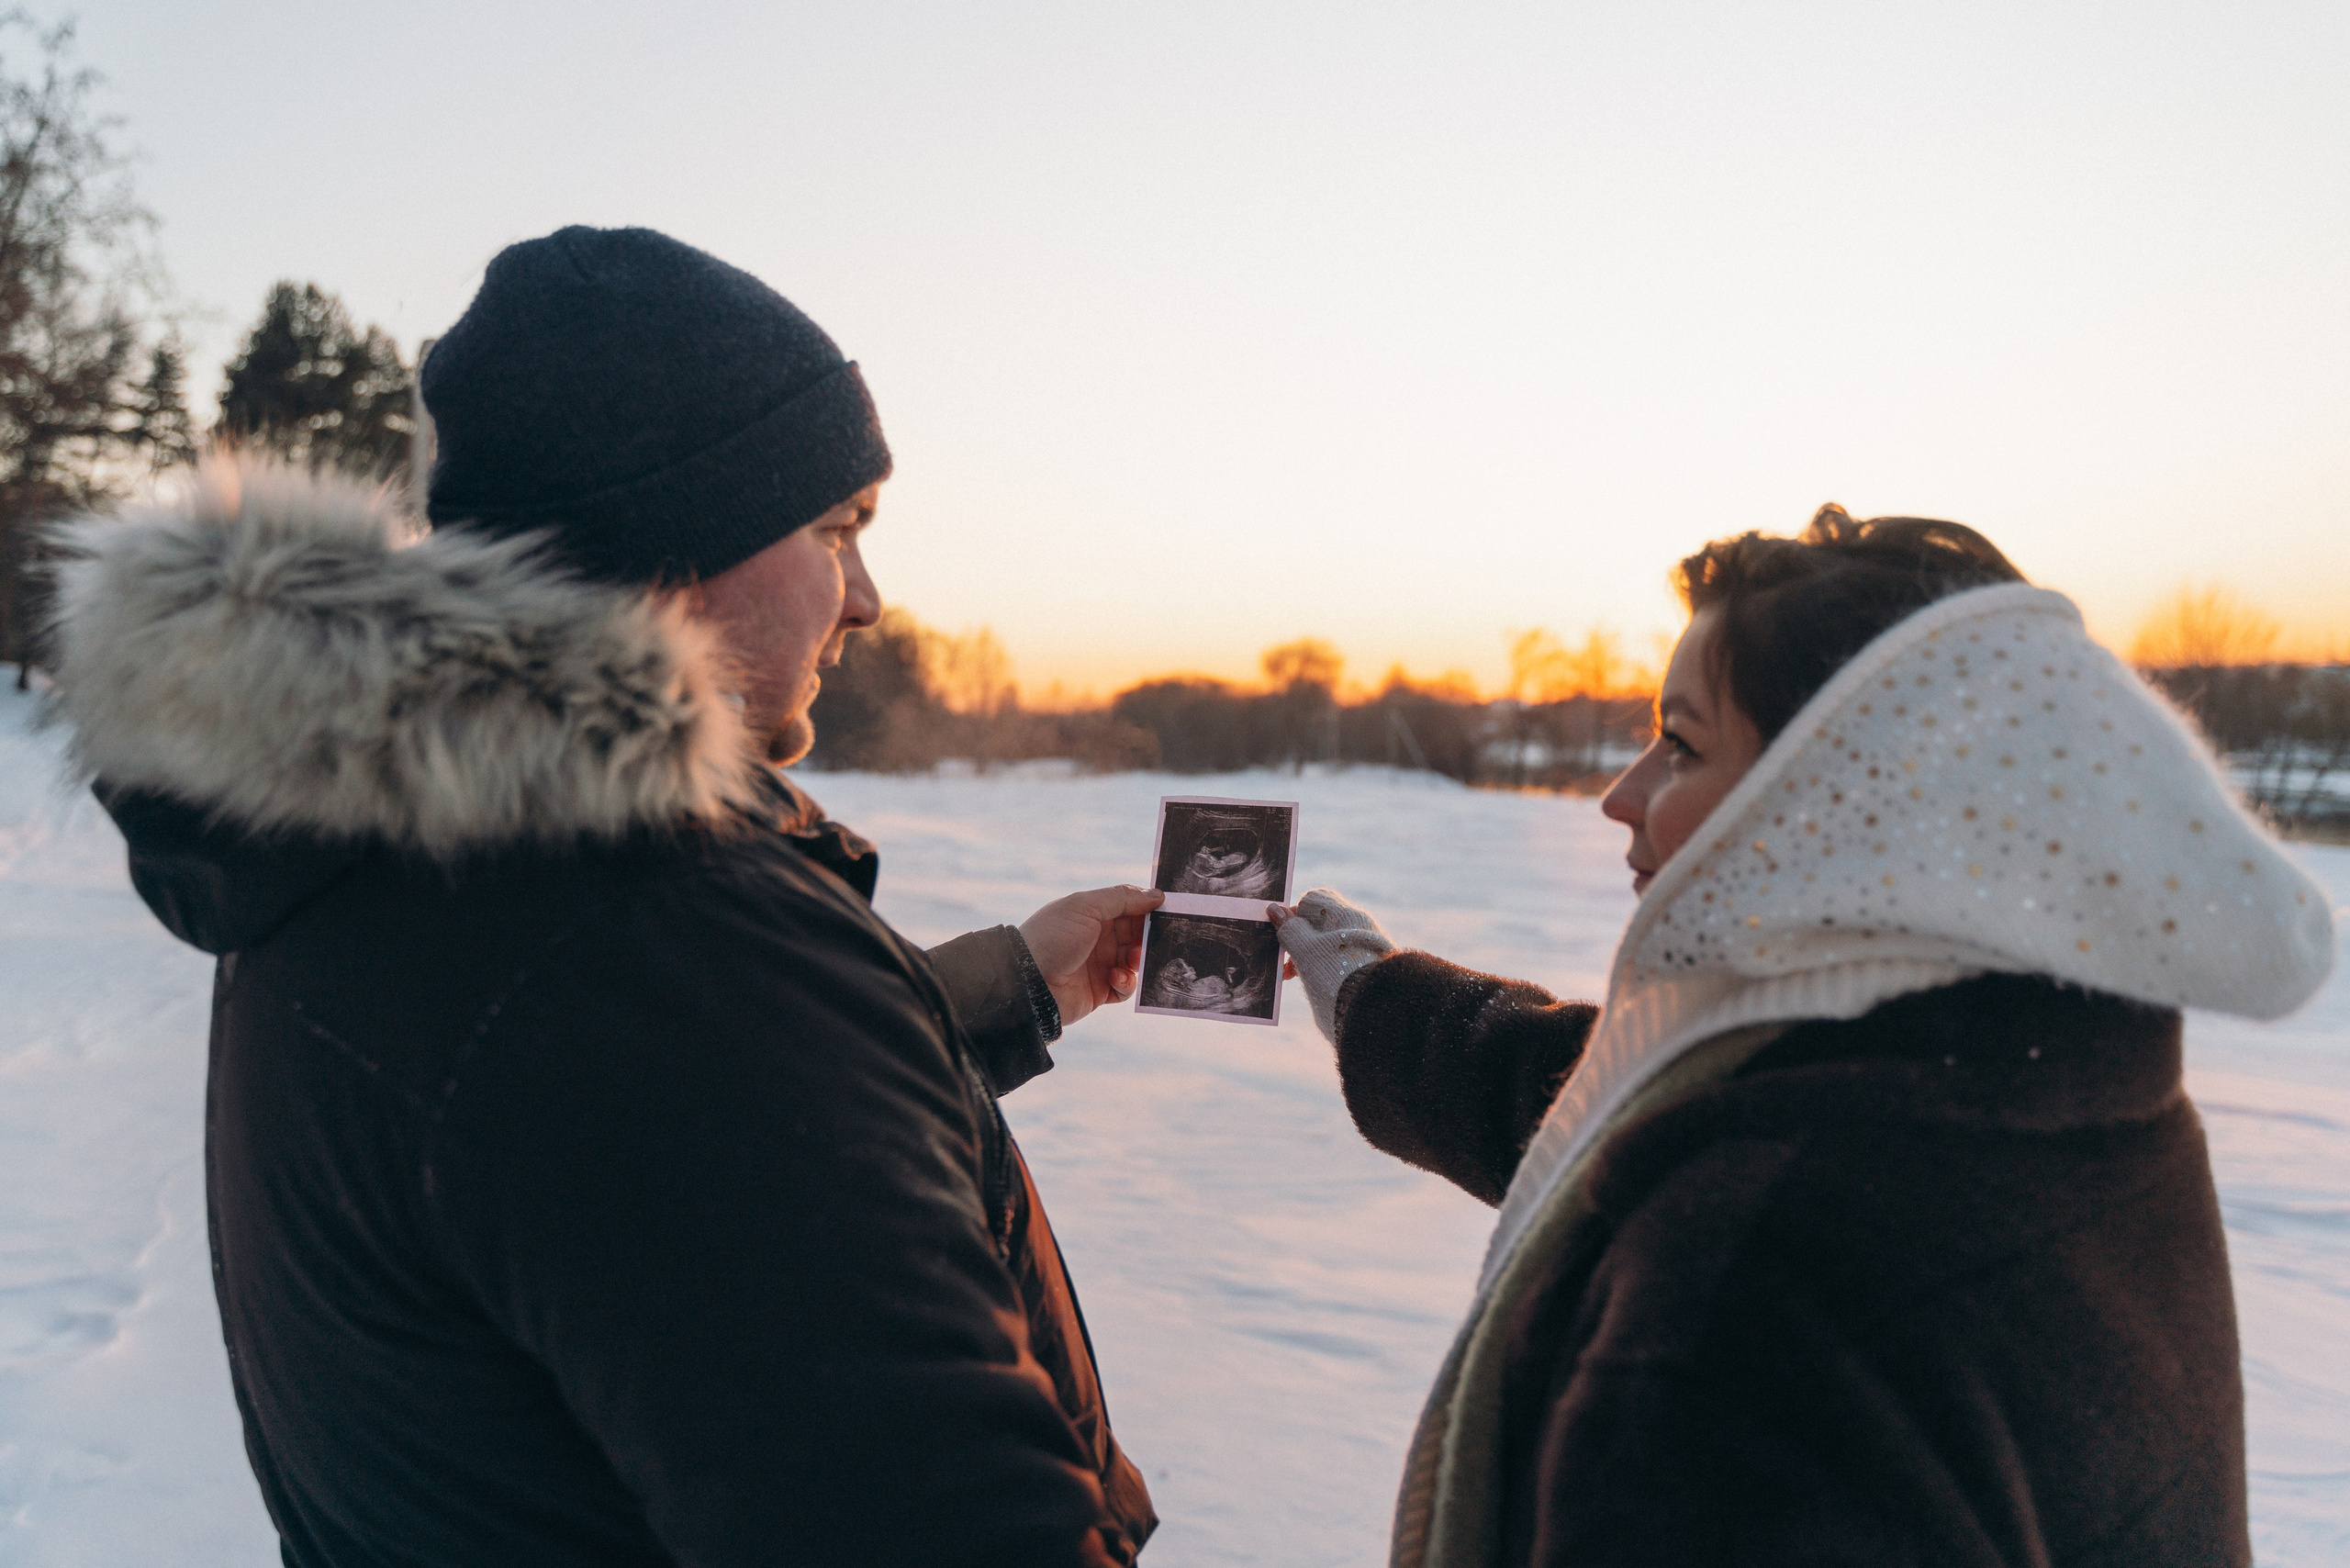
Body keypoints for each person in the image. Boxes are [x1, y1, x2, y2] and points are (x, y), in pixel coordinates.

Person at [47, 227, 1160, 1566]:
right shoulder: (651, 936)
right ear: (679, 544)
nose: (866, 599)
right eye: (835, 527)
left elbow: (617, 1158)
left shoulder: (384, 840)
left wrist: (1010, 989)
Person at [1274, 508, 2334, 1567]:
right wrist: (1377, 1000)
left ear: (1842, 809)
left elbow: (1707, 1169)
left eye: (1681, 742)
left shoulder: (1747, 1298)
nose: (1619, 793)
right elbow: (1625, 1112)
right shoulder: (2051, 1082)